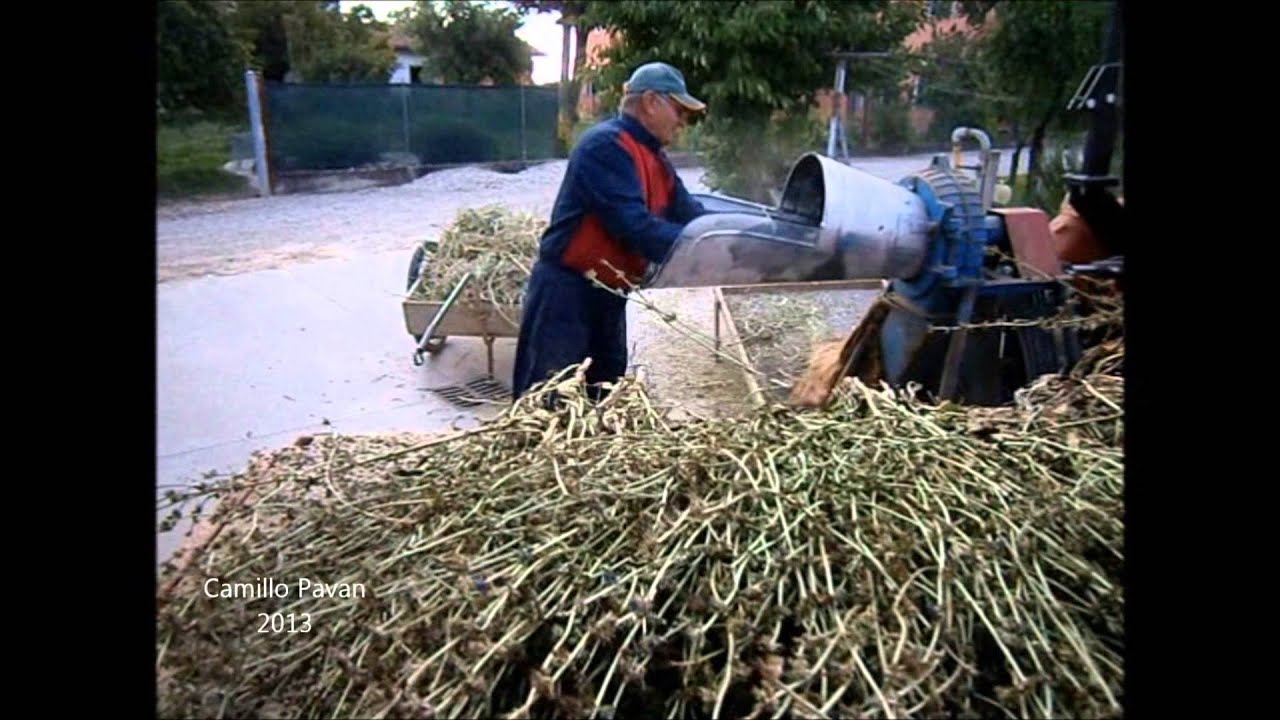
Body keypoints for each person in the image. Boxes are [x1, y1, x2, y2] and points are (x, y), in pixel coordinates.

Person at [511, 62, 709, 401]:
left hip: (609, 296)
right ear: (650, 102)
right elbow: (634, 227)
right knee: (549, 403)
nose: (682, 122)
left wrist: (731, 240)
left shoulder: (655, 159)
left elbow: (691, 214)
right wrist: (701, 254)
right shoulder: (606, 146)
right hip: (567, 296)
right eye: (678, 110)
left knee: (603, 400)